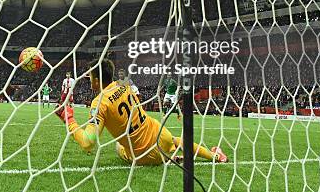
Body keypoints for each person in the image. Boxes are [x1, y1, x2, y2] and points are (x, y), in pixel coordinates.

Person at [56, 58, 228, 165]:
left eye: (90, 77)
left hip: (142, 157)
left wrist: (68, 119)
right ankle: (215, 156)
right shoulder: (125, 84)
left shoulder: (99, 102)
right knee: (176, 141)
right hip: (161, 135)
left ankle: (167, 158)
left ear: (96, 80)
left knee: (118, 147)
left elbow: (88, 142)